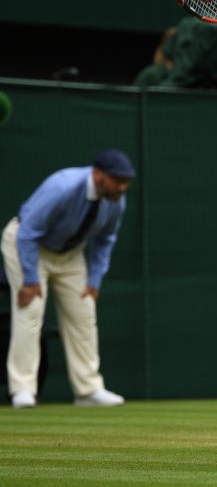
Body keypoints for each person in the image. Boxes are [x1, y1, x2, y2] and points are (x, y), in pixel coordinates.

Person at [2, 149, 134, 409]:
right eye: (117, 180)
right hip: (27, 245)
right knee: (31, 311)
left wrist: (94, 281)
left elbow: (105, 240)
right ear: (98, 175)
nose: (122, 187)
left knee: (84, 313)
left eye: (126, 182)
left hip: (70, 254)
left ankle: (88, 391)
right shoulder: (62, 186)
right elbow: (28, 232)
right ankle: (22, 389)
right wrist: (30, 279)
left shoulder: (117, 200)